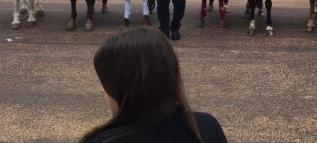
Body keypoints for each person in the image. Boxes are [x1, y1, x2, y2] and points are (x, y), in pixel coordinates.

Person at [79, 27, 228, 143]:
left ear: (124, 88)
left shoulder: (101, 140)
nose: (103, 90)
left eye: (105, 83)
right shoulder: (205, 127)